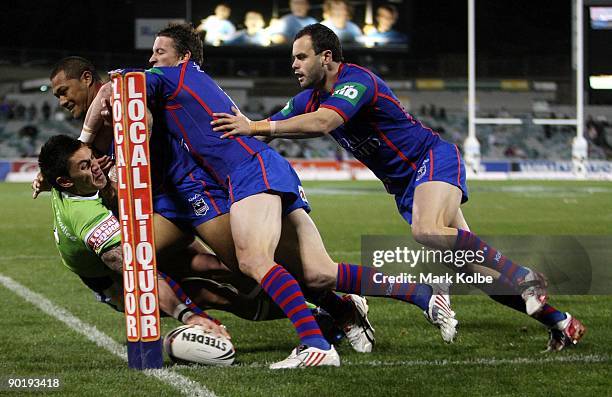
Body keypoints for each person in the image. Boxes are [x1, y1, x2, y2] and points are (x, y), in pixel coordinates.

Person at [82, 23, 459, 368]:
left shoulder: (173, 77)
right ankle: (421, 294)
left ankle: (315, 343)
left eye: (159, 52)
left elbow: (116, 90)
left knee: (252, 261)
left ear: (181, 58)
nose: (152, 59)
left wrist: (85, 139)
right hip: (263, 170)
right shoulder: (192, 82)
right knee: (318, 272)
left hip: (249, 173)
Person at [211, 23, 586, 352]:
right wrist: (232, 141)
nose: (293, 65)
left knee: (426, 230)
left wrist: (259, 126)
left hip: (430, 158)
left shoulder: (356, 80)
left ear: (326, 57)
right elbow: (263, 130)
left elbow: (323, 123)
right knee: (473, 272)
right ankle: (560, 321)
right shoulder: (307, 99)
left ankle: (525, 276)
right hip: (407, 185)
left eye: (300, 57)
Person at [42, 56, 366, 349]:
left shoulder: (121, 99)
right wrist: (51, 174)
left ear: (86, 78)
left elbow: (148, 123)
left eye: (63, 90)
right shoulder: (94, 129)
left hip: (193, 191)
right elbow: (82, 169)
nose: (61, 101)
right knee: (151, 261)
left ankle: (341, 308)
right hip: (164, 205)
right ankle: (200, 318)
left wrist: (122, 131)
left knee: (247, 266)